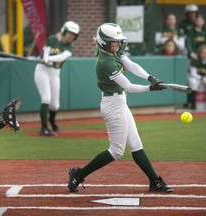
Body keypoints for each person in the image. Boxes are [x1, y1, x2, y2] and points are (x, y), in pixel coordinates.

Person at [67, 23, 174, 193]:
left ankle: (154, 181)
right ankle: (78, 174)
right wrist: (150, 88)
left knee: (136, 144)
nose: (117, 44)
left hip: (120, 101)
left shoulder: (112, 52)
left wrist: (151, 78)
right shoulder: (105, 62)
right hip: (112, 105)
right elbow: (129, 85)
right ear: (104, 43)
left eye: (118, 41)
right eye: (114, 42)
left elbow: (131, 65)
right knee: (116, 151)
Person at [34, 21, 80, 136]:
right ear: (64, 31)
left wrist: (49, 59)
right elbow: (45, 54)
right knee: (46, 98)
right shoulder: (52, 39)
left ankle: (52, 120)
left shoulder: (69, 47)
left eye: (74, 35)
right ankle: (44, 129)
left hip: (55, 72)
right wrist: (45, 59)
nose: (71, 36)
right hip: (42, 70)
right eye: (70, 33)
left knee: (55, 105)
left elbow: (62, 56)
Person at [188, 45, 206, 110]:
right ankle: (193, 104)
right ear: (200, 53)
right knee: (193, 82)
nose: (205, 55)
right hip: (197, 78)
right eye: (203, 53)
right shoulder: (195, 60)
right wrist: (201, 78)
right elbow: (193, 73)